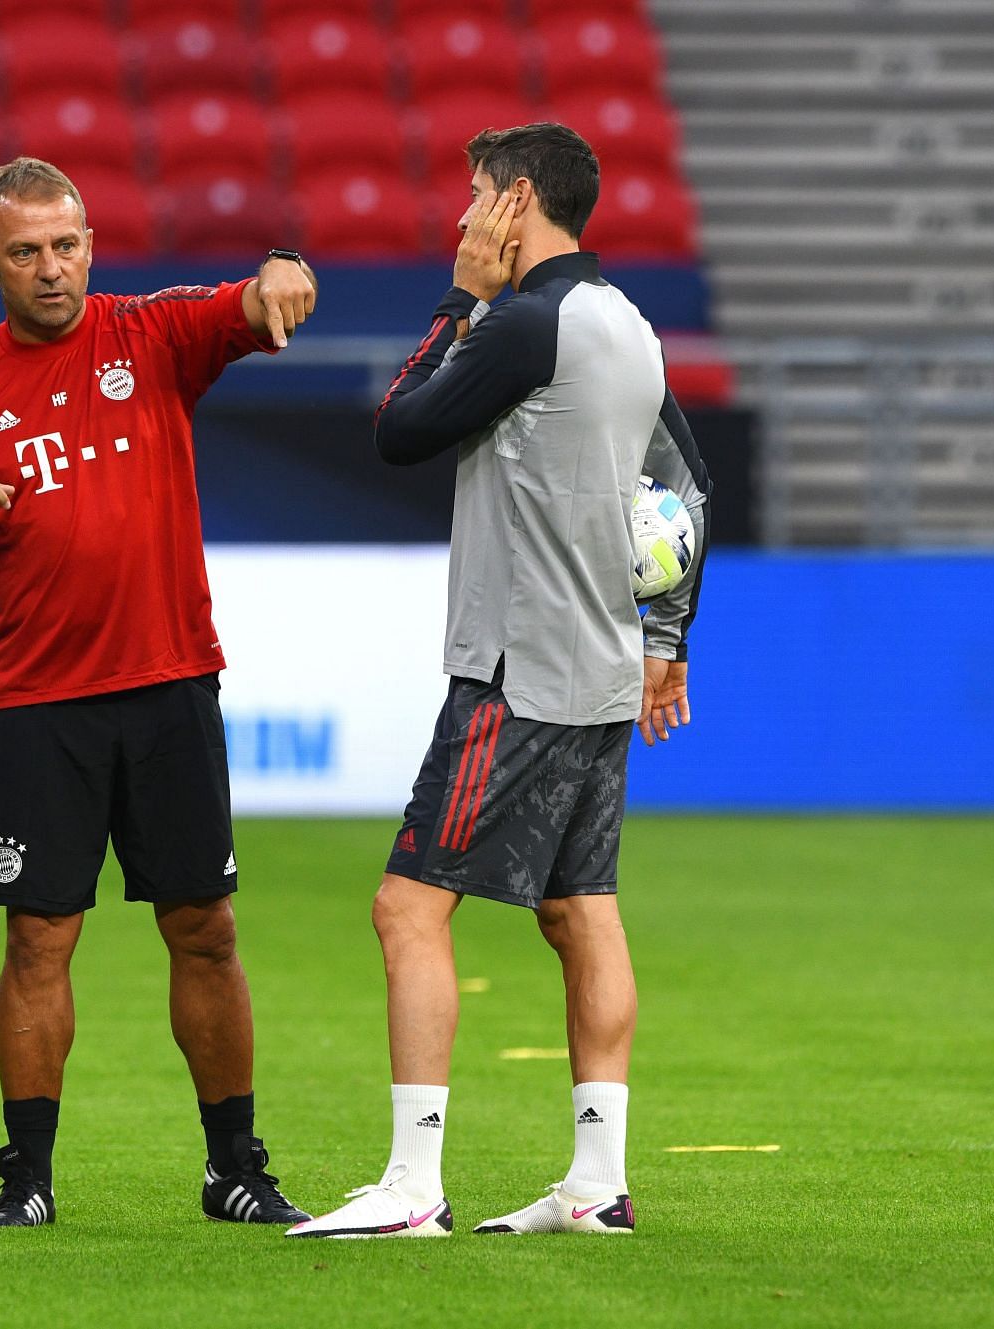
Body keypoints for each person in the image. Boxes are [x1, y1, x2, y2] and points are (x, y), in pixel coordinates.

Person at [0, 158, 318, 1229]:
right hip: (39, 708)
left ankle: (235, 1169)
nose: (50, 269)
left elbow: (251, 302)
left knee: (204, 928)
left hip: (170, 687)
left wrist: (285, 269)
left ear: (90, 245)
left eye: (65, 246)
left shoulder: (149, 336)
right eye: (25, 252)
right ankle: (26, 1184)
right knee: (37, 942)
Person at [287, 123, 711, 1240]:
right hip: (602, 672)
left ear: (518, 202)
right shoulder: (631, 326)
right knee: (583, 911)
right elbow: (688, 487)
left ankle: (412, 1186)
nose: (467, 214)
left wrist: (458, 299)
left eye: (479, 194)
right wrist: (667, 638)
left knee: (406, 908)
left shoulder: (527, 323)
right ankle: (596, 1184)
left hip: (512, 674)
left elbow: (399, 429)